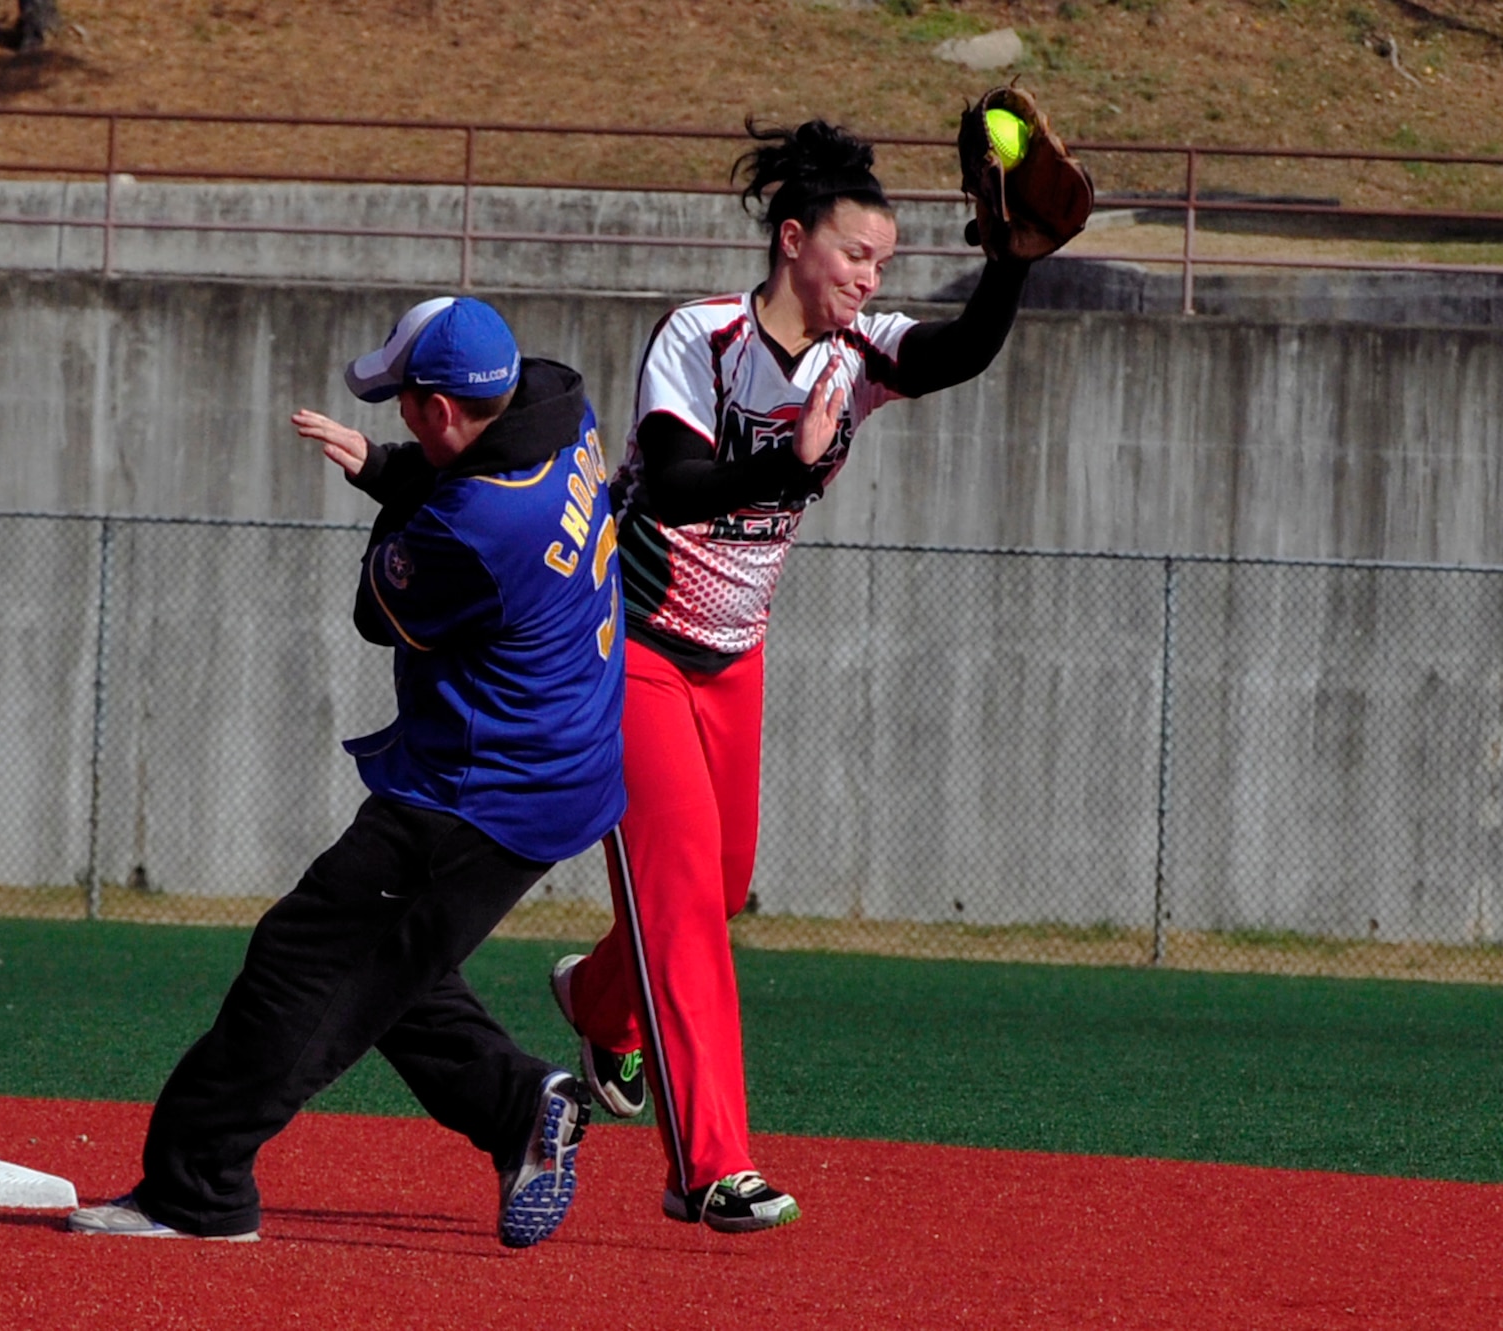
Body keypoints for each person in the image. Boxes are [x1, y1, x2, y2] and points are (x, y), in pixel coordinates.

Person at [549, 118, 1038, 1233]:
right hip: (629, 645)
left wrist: (1010, 263)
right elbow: (669, 481)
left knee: (717, 890)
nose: (870, 279)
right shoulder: (699, 335)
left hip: (733, 654)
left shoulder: (852, 353)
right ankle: (707, 1164)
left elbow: (957, 352)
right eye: (856, 255)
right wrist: (788, 457)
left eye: (883, 264)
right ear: (790, 241)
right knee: (683, 903)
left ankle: (593, 997)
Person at [68, 295, 627, 1248]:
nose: (396, 417)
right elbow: (452, 475)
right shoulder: (557, 404)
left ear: (443, 410)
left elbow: (382, 603)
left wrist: (396, 492)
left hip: (478, 793)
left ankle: (195, 1189)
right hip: (558, 759)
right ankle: (519, 1102)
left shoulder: (479, 524)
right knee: (386, 970)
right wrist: (390, 469)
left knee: (299, 965)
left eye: (405, 404)